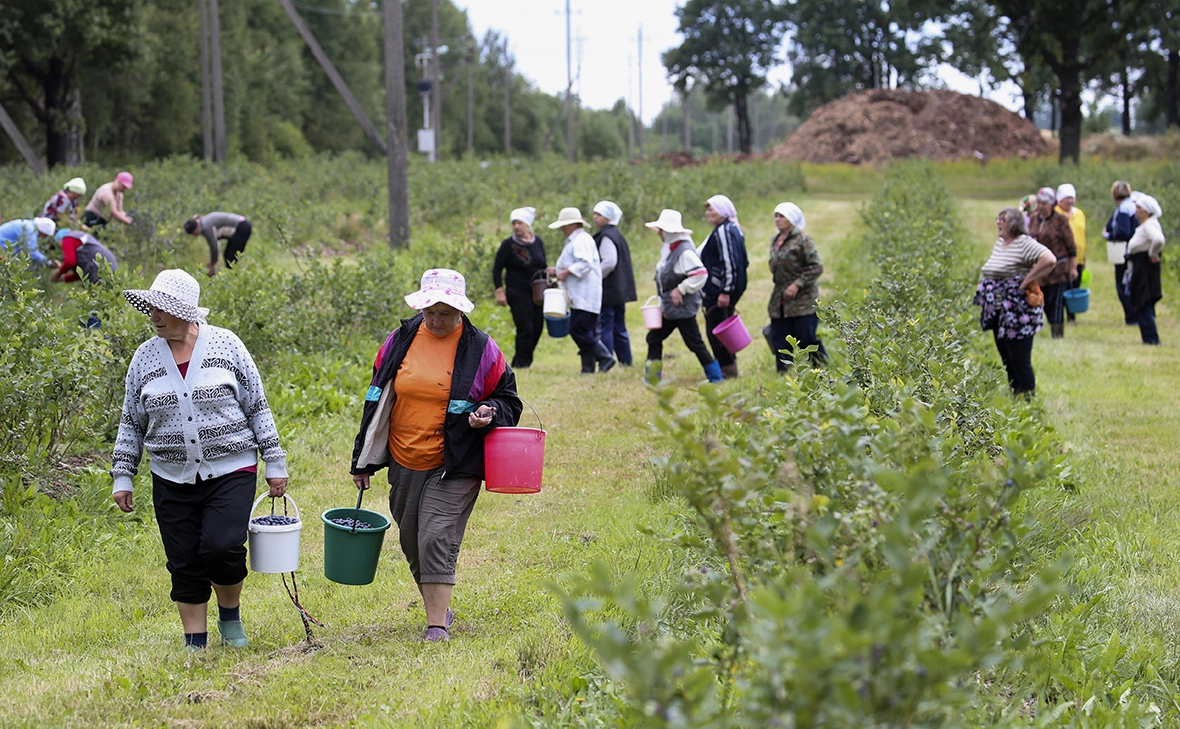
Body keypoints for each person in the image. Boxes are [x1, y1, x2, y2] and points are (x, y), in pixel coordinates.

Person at [110, 269, 289, 649]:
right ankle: (195, 641)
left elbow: (257, 406)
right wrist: (122, 475)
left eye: (163, 309)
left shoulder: (226, 345)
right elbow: (131, 421)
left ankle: (230, 617)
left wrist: (274, 462)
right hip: (171, 474)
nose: (154, 316)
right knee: (184, 557)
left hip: (231, 467)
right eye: (152, 308)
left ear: (186, 312)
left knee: (222, 547)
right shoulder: (144, 359)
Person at [350, 269, 523, 642]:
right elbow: (376, 398)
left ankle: (435, 626)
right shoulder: (400, 339)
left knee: (437, 536)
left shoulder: (482, 349)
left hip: (456, 461)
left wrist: (489, 413)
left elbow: (509, 398)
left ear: (460, 311)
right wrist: (362, 460)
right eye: (430, 311)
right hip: (405, 457)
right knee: (412, 539)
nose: (436, 320)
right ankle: (440, 607)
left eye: (445, 313)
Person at [974, 208, 1057, 396]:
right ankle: (1016, 396)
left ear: (1015, 223)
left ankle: (1028, 401)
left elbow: (1049, 259)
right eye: (998, 218)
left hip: (1017, 313)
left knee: (1020, 359)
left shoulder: (1024, 243)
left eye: (1003, 219)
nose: (998, 222)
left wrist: (1027, 280)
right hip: (998, 312)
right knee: (1007, 358)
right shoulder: (1001, 244)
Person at [642, 209, 723, 384]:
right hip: (671, 308)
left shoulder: (684, 252)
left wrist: (681, 289)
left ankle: (716, 378)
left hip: (682, 308)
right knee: (654, 338)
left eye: (661, 230)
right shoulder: (671, 249)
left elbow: (701, 273)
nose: (659, 233)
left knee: (694, 343)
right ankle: (652, 378)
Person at [547, 207, 615, 374]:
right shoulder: (576, 240)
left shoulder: (580, 240)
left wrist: (564, 272)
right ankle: (588, 368)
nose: (562, 229)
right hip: (582, 293)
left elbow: (584, 264)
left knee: (578, 329)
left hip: (584, 294)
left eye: (563, 225)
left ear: (571, 224)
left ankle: (605, 357)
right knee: (587, 330)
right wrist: (558, 270)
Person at [767, 203, 827, 371]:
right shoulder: (775, 240)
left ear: (792, 220)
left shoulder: (803, 240)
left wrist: (797, 284)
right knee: (779, 338)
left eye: (782, 216)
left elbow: (816, 266)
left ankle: (821, 367)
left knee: (806, 338)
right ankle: (783, 375)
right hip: (780, 299)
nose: (777, 220)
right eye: (776, 216)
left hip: (803, 301)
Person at [698, 195, 749, 379]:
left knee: (717, 331)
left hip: (720, 292)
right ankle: (729, 366)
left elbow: (730, 263)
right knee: (722, 329)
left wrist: (725, 291)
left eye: (712, 209)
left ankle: (727, 370)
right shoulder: (728, 229)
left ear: (723, 211)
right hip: (720, 290)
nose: (708, 213)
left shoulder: (724, 232)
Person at [493, 207, 547, 369]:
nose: (516, 226)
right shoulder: (508, 245)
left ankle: (525, 360)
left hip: (537, 291)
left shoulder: (538, 242)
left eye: (520, 223)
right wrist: (499, 291)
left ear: (528, 225)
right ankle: (520, 364)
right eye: (514, 223)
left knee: (537, 327)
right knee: (525, 327)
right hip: (517, 291)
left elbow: (542, 265)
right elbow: (497, 268)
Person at [1027, 187, 1077, 339]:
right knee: (1044, 301)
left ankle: (1057, 334)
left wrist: (1073, 267)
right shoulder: (1034, 219)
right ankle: (1044, 327)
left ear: (1052, 204)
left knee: (1055, 302)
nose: (1041, 206)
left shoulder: (1060, 220)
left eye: (1044, 203)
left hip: (1058, 269)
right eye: (1039, 203)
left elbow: (1071, 246)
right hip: (1040, 268)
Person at [592, 201, 637, 366]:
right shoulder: (616, 234)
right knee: (619, 327)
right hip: (619, 291)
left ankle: (607, 360)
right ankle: (626, 361)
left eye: (599, 215)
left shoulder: (606, 236)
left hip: (609, 291)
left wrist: (596, 277)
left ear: (609, 218)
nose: (595, 218)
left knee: (606, 327)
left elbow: (609, 262)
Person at [1124, 192, 1165, 345]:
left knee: (1143, 301)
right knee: (1142, 301)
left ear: (1146, 211)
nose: (1136, 210)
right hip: (1141, 266)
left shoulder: (1149, 225)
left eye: (1139, 208)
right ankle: (1148, 338)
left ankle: (1151, 339)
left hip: (1144, 267)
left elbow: (1159, 239)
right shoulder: (1145, 225)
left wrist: (1152, 253)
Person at [1104, 180, 1139, 325]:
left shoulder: (1124, 210)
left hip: (1123, 251)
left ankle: (1131, 317)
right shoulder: (1133, 206)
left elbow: (1123, 232)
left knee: (1123, 283)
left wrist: (1109, 236)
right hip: (1134, 251)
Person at [183, 212, 252, 276]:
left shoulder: (205, 227)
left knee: (231, 257)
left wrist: (212, 264)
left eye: (193, 233)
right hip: (242, 225)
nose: (194, 235)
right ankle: (233, 276)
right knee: (228, 256)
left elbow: (214, 246)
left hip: (242, 227)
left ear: (195, 229)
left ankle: (235, 278)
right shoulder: (203, 222)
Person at [1055, 183, 1087, 323]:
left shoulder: (1079, 213)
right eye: (1066, 198)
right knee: (1063, 287)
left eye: (1072, 198)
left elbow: (1082, 234)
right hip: (1063, 257)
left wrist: (1084, 256)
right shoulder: (1056, 213)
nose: (1070, 201)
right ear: (1059, 200)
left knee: (1075, 285)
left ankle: (1071, 315)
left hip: (1078, 257)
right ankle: (1059, 315)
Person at [49, 229, 119, 284]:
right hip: (110, 267)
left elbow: (70, 262)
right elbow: (83, 273)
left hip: (99, 271)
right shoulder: (79, 237)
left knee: (100, 299)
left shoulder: (67, 239)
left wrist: (57, 274)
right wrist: (64, 278)